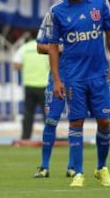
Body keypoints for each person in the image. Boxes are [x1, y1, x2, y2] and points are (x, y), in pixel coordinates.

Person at [48, 0, 110, 187]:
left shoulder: (100, 3)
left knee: (105, 122)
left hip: (99, 75)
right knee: (76, 122)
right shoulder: (58, 11)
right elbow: (52, 47)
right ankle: (78, 172)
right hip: (73, 77)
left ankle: (101, 168)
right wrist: (57, 80)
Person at [33, 18, 74, 178]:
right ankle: (44, 167)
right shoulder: (54, 17)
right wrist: (60, 49)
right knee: (51, 121)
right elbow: (39, 47)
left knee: (75, 121)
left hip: (77, 79)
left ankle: (73, 167)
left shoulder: (84, 18)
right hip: (56, 80)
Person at [12, 35, 49, 140]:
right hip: (44, 84)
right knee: (47, 114)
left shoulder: (24, 48)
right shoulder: (44, 47)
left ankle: (25, 137)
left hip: (29, 85)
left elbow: (16, 65)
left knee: (28, 113)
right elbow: (52, 64)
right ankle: (50, 136)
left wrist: (26, 66)